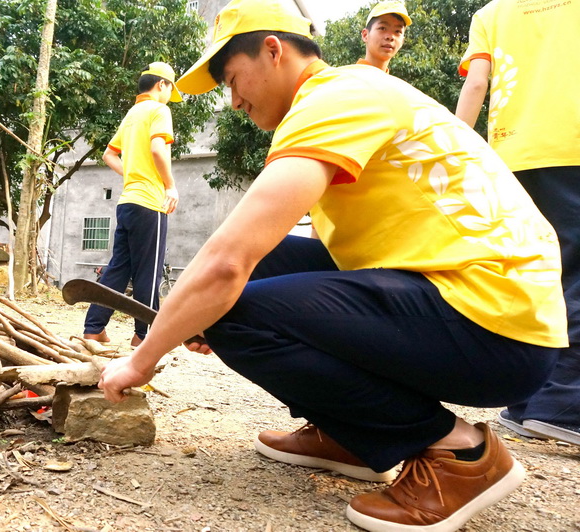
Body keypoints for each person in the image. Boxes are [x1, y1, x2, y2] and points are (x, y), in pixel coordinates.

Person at [97, 0, 568, 530]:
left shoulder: (332, 100)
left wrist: (142, 360)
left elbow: (227, 262)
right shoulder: (350, 93)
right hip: (477, 301)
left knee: (234, 309)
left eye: (232, 80)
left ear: (272, 51)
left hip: (495, 326)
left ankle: (460, 453)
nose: (234, 101)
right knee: (265, 265)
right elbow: (275, 257)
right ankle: (354, 434)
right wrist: (204, 310)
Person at [455, 0, 580, 446]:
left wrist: (453, 157)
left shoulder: (491, 13)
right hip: (572, 147)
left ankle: (526, 402)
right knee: (576, 274)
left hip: (511, 158)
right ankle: (563, 407)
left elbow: (476, 83)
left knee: (535, 275)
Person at [83, 61, 182, 347]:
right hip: (150, 203)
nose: (169, 96)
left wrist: (132, 175)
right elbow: (157, 149)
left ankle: (93, 329)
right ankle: (144, 335)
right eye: (170, 90)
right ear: (162, 84)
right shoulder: (159, 110)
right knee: (148, 271)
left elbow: (109, 154)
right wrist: (170, 186)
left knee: (118, 268)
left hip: (127, 202)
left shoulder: (132, 114)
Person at [357, 1, 411, 72]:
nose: (390, 37)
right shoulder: (346, 76)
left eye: (397, 31)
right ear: (365, 35)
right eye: (382, 28)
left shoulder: (392, 80)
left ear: (402, 41)